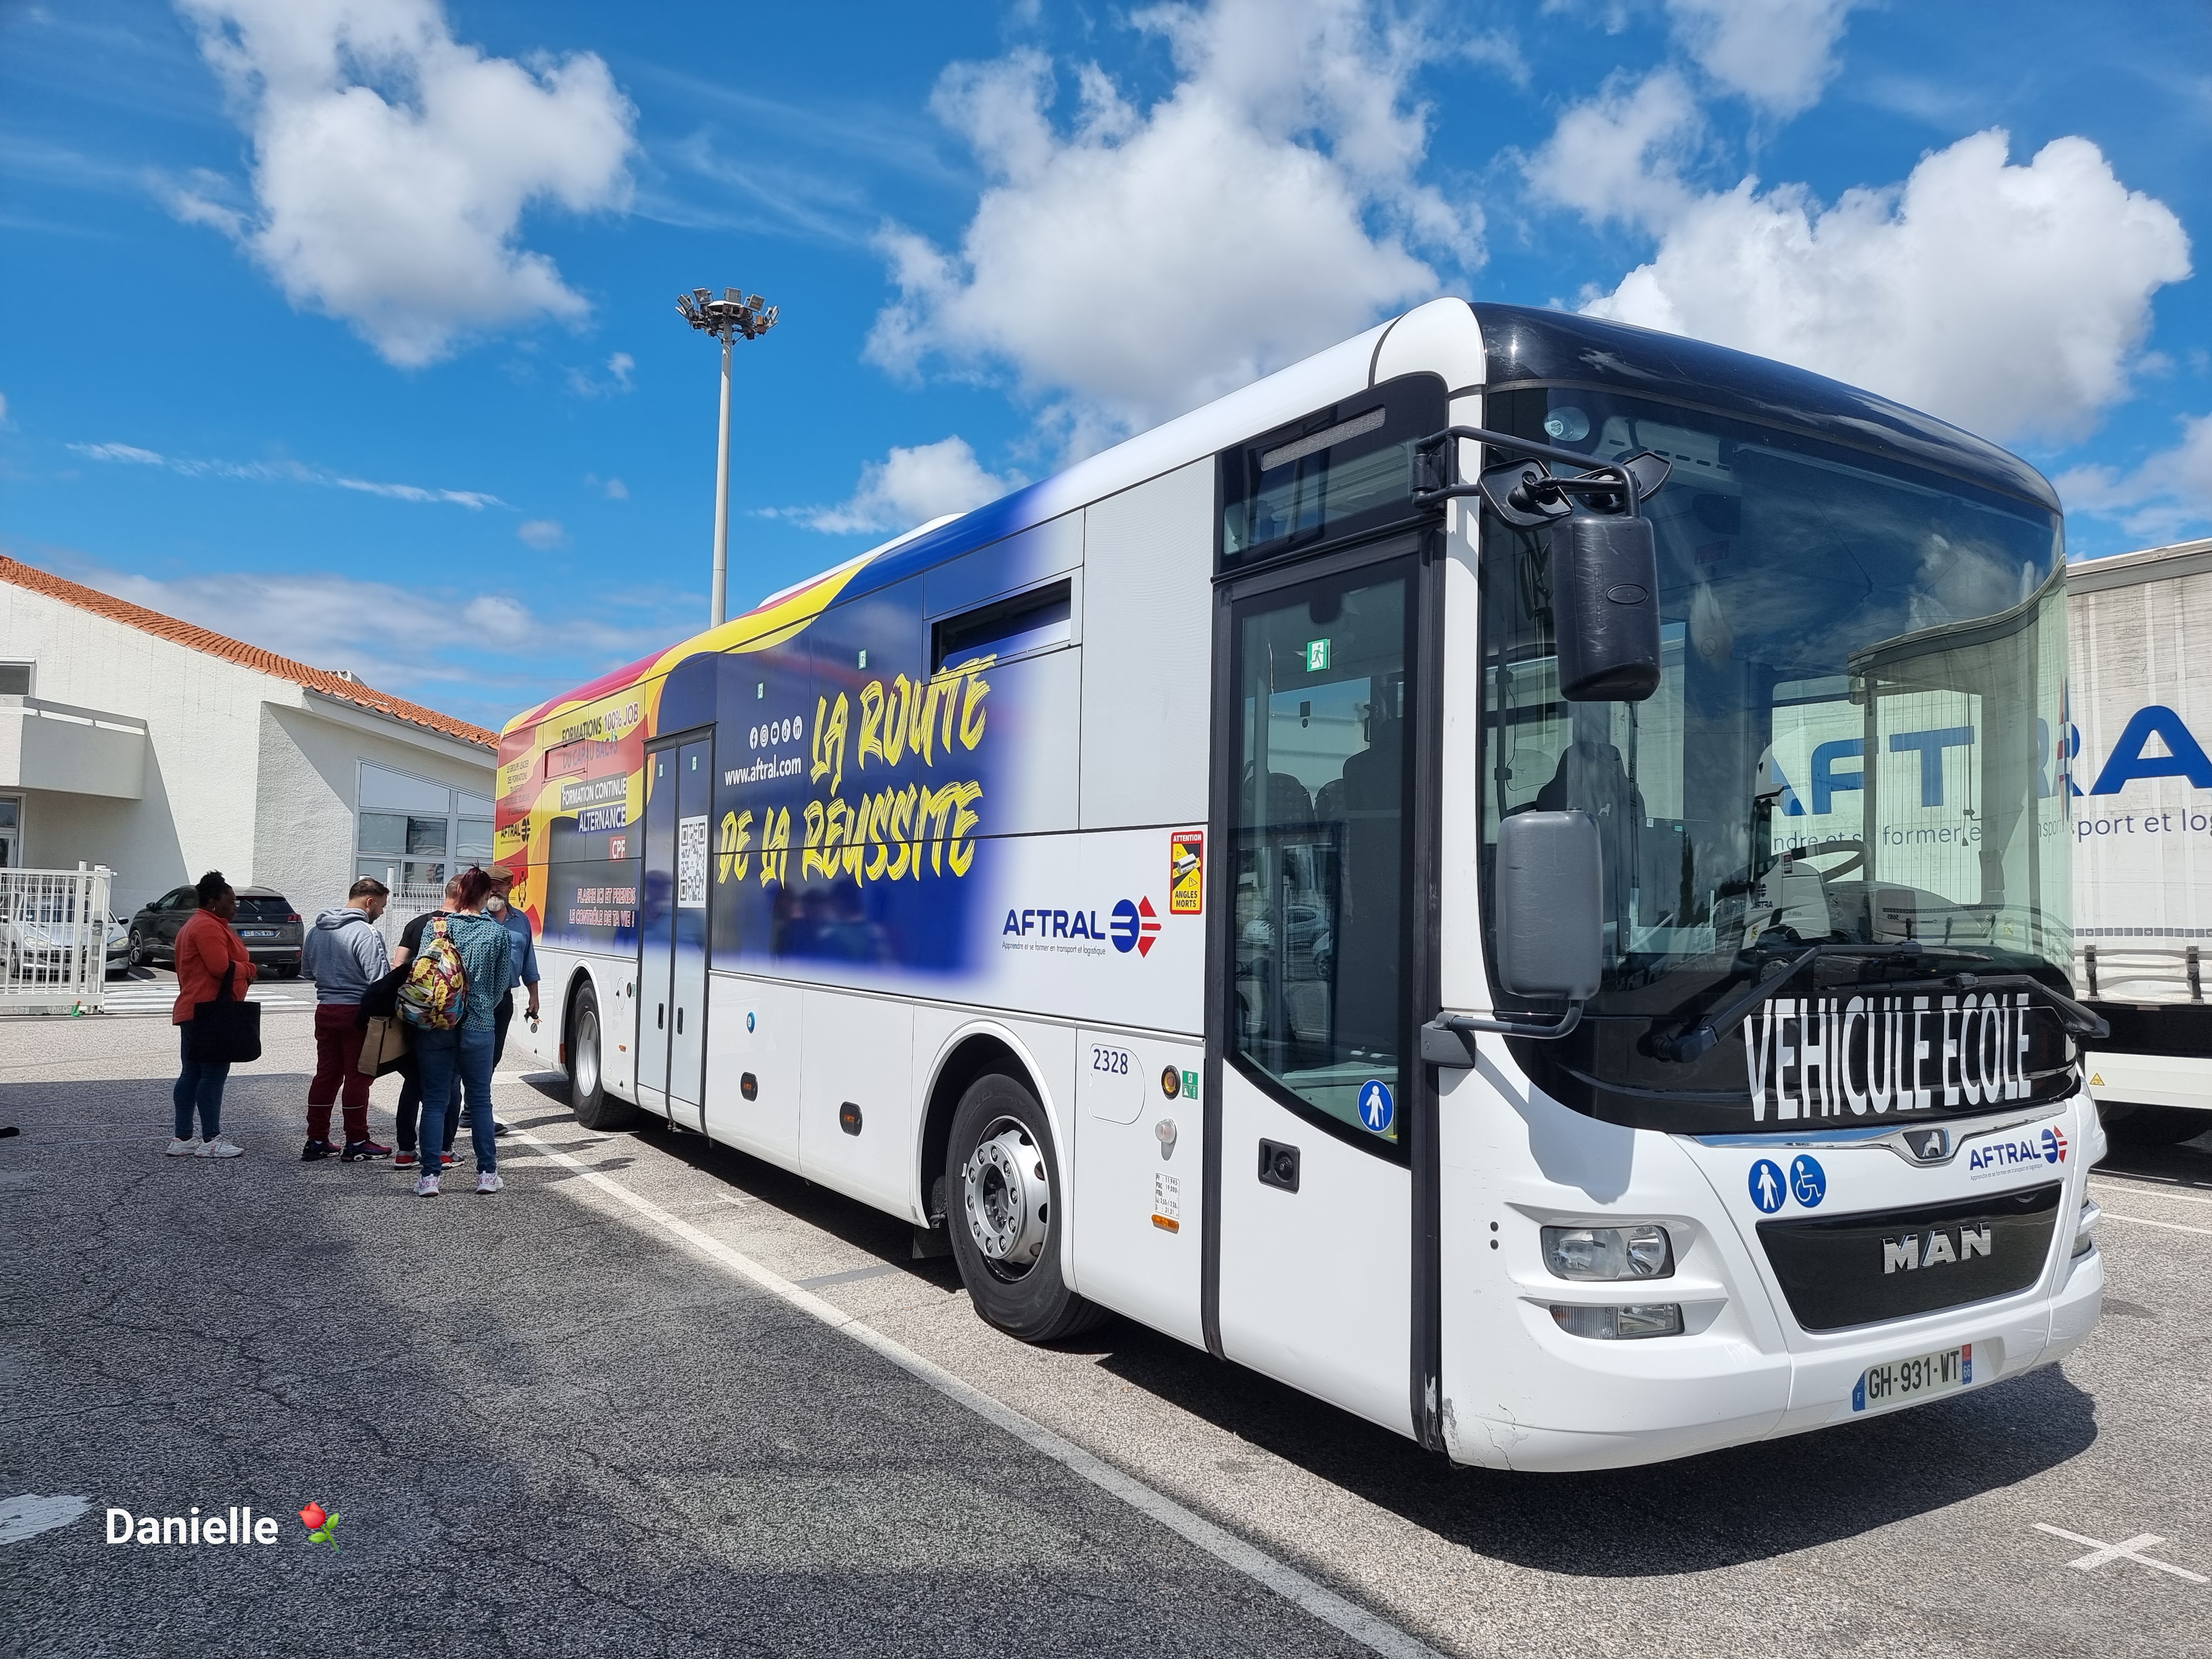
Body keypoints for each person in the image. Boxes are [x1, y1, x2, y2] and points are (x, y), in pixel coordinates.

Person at [412, 866, 517, 1198]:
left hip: (438, 1023)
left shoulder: (436, 928)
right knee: (481, 1100)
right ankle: (487, 1173)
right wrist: (480, 1004)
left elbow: (421, 973)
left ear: (459, 893)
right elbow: (501, 986)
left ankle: (430, 1178)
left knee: (434, 1101)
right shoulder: (498, 934)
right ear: (488, 895)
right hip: (479, 1024)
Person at [300, 876, 392, 1162]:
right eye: (382, 906)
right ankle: (357, 1141)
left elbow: (307, 972)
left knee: (327, 1075)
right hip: (357, 1013)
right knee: (358, 1076)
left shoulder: (316, 931)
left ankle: (316, 1139)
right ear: (370, 902)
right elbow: (380, 980)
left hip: (326, 1010)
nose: (381, 912)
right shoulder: (366, 932)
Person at [168, 870, 254, 1159]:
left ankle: (183, 1138)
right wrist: (251, 969)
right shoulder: (207, 927)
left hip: (194, 1010)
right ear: (214, 901)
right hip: (210, 1011)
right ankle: (211, 1139)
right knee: (213, 1074)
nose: (235, 907)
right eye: (231, 901)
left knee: (192, 1072)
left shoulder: (198, 924)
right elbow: (221, 968)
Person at [388, 875, 464, 1172]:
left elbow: (398, 965)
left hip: (414, 1014)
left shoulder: (418, 923)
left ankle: (405, 1150)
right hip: (447, 1016)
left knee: (413, 1082)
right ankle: (444, 1150)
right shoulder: (462, 928)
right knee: (449, 1084)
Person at [483, 864, 540, 1135]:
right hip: (475, 998)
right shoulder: (475, 918)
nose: (495, 890)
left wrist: (534, 995)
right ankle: (471, 1111)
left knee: (493, 1056)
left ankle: (472, 1110)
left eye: (501, 885)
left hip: (504, 999)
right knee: (469, 1055)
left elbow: (529, 960)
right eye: (490, 885)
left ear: (511, 887)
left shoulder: (521, 920)